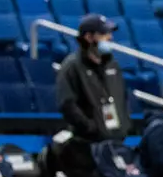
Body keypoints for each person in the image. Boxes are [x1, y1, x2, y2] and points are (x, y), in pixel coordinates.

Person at [54, 14, 130, 143]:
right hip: (87, 143)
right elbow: (67, 104)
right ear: (89, 37)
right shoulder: (71, 66)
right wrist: (90, 128)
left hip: (116, 139)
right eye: (104, 34)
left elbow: (123, 97)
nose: (110, 38)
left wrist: (125, 125)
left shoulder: (113, 65)